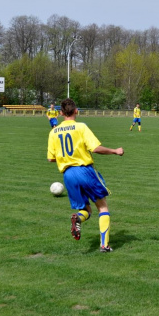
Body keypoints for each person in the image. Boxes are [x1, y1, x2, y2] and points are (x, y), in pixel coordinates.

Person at [47, 98, 124, 253]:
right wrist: (115, 151)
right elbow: (95, 148)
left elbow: (50, 158)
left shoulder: (53, 132)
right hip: (84, 171)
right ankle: (104, 245)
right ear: (76, 111)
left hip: (68, 175)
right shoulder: (81, 127)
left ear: (61, 113)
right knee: (102, 207)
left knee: (86, 210)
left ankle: (78, 218)